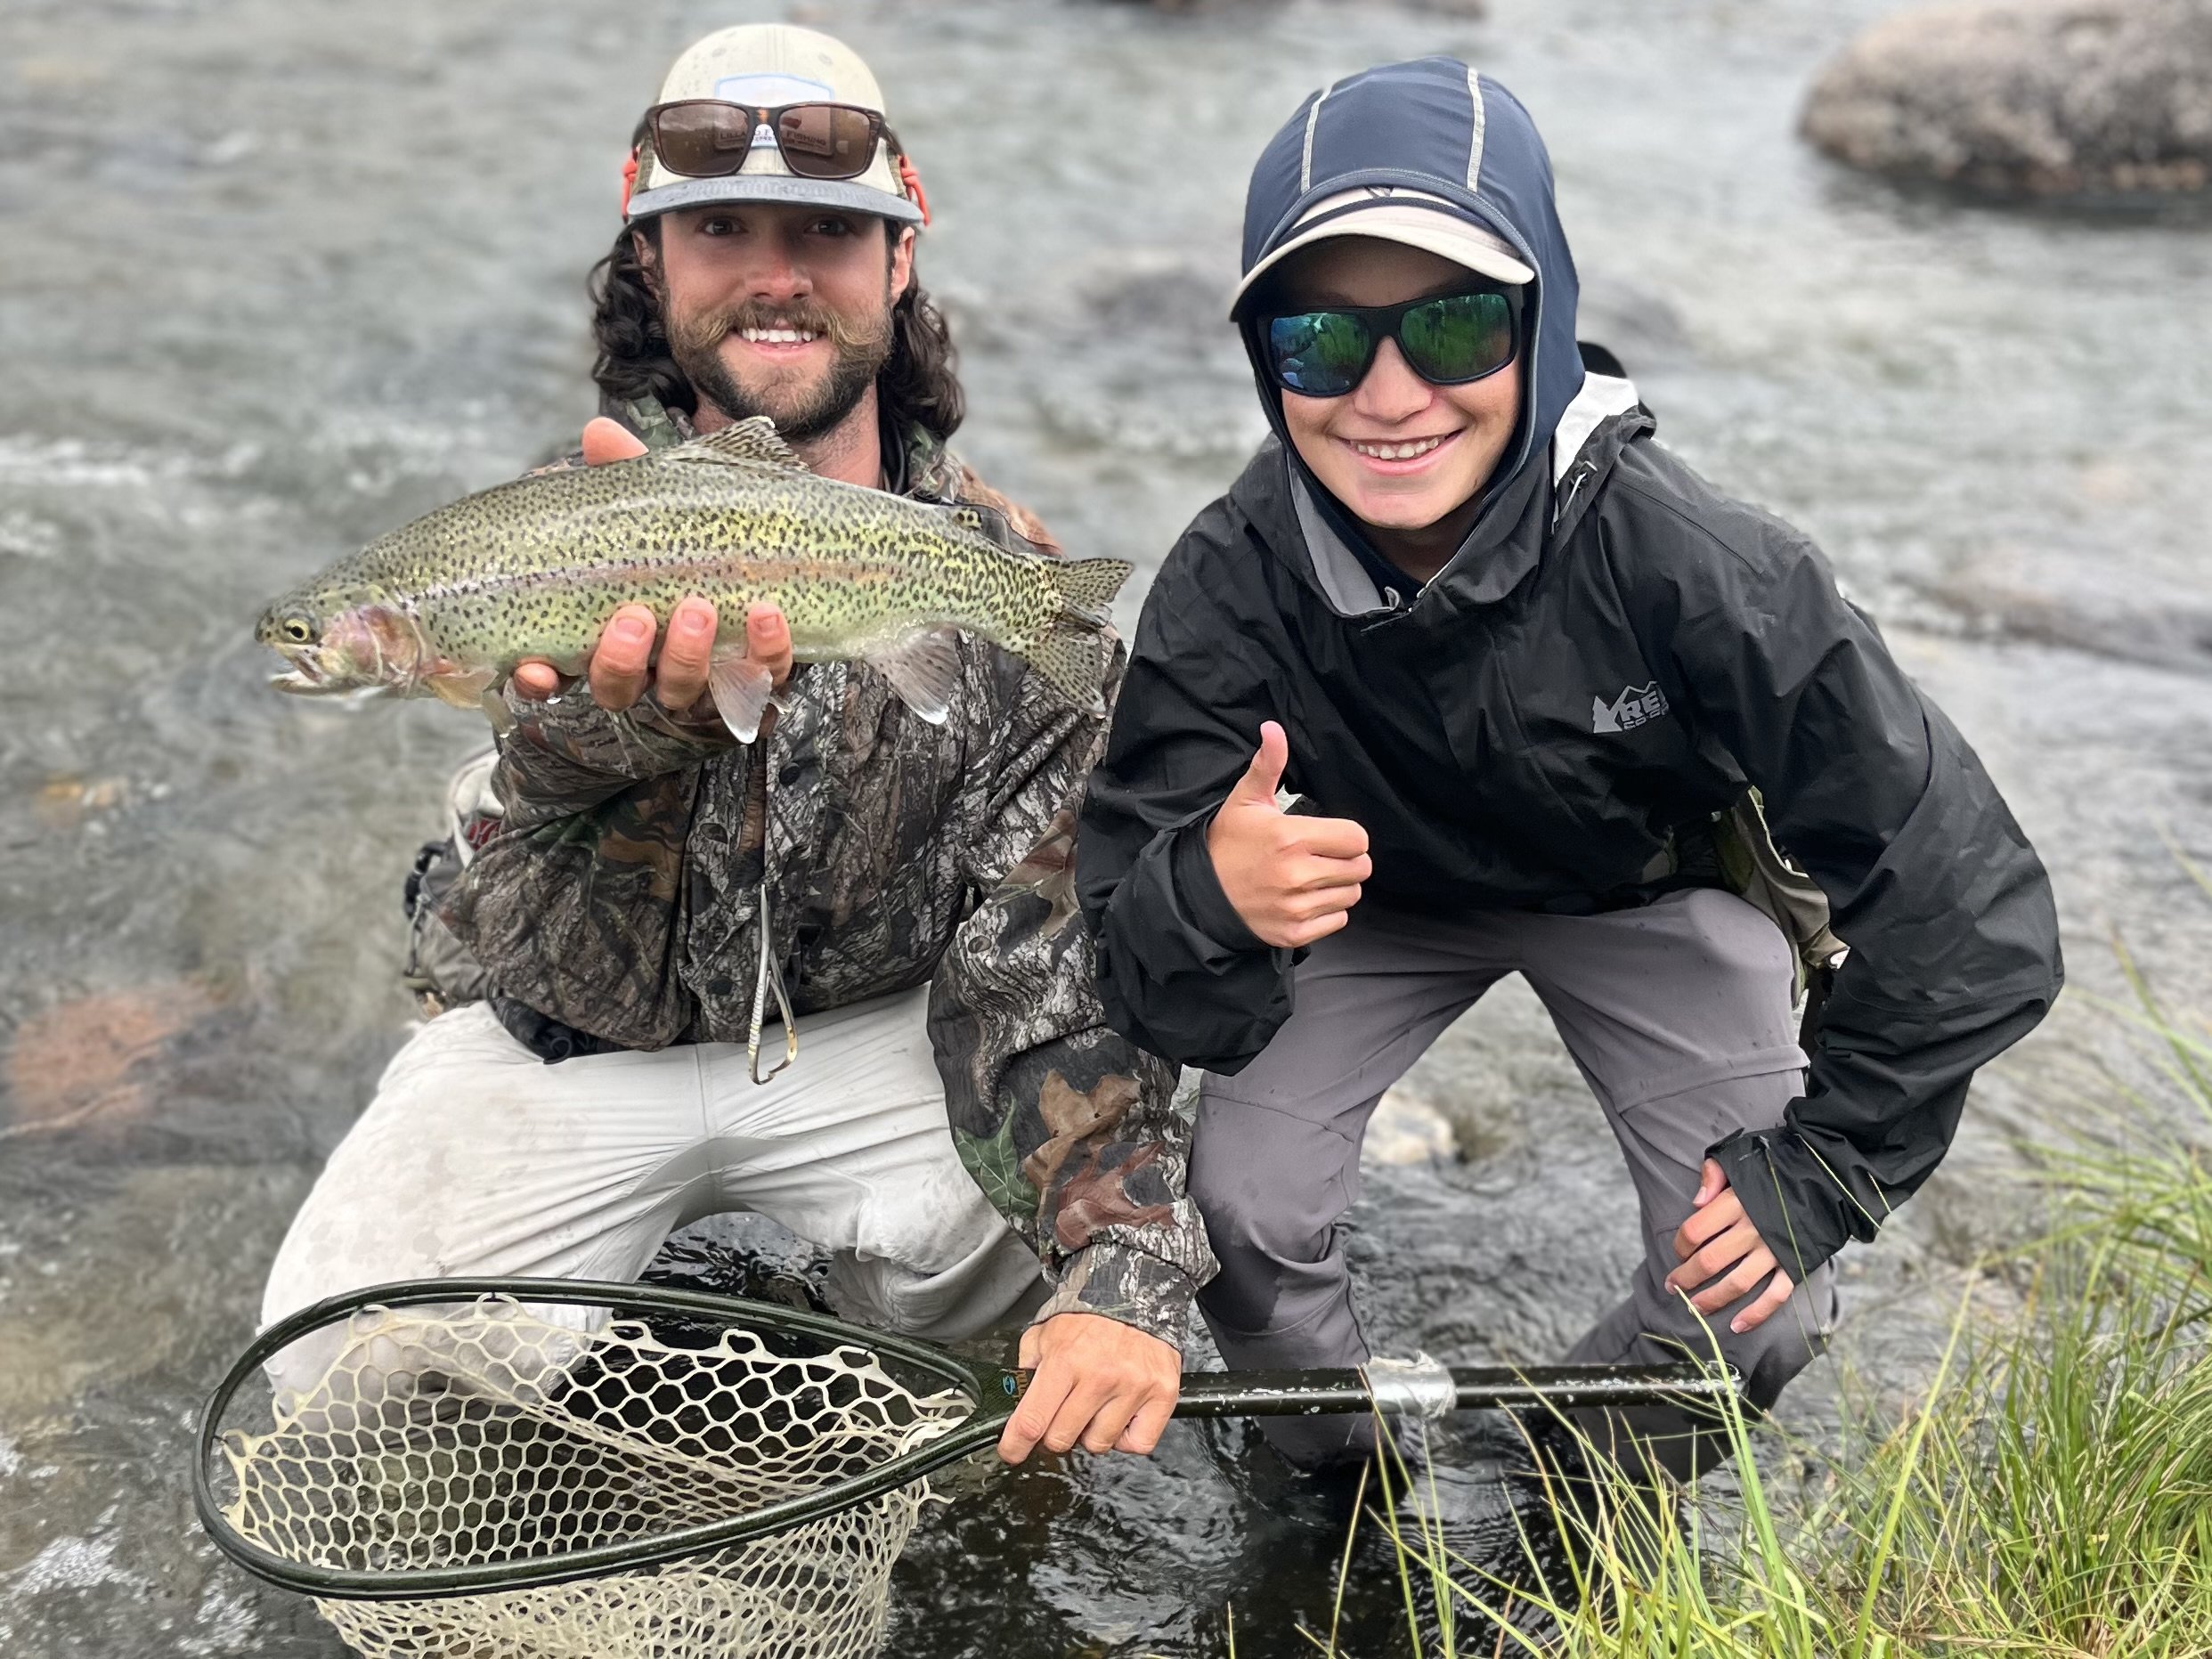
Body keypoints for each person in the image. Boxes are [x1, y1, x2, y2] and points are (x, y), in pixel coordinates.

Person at [1076, 56, 2062, 1480]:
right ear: (1264, 359)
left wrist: (1824, 1169)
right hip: (1371, 903)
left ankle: (1576, 1468)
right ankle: (1332, 1479)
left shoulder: (1706, 569)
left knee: (1762, 1303)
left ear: (1542, 325)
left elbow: (1973, 910)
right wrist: (1209, 894)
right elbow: (1131, 952)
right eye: (1322, 345)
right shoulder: (1230, 583)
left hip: (1644, 895)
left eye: (1458, 324)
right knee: (1239, 1210)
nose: (1391, 394)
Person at [264, 23, 1212, 1466]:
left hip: (871, 1052)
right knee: (340, 1387)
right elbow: (519, 808)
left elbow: (1046, 961)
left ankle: (925, 1412)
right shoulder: (557, 519)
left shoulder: (996, 572)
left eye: (827, 230)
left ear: (904, 250)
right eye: (722, 229)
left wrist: (1126, 1270)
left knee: (1011, 1340)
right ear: (652, 251)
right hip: (569, 1045)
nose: (777, 272)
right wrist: (608, 728)